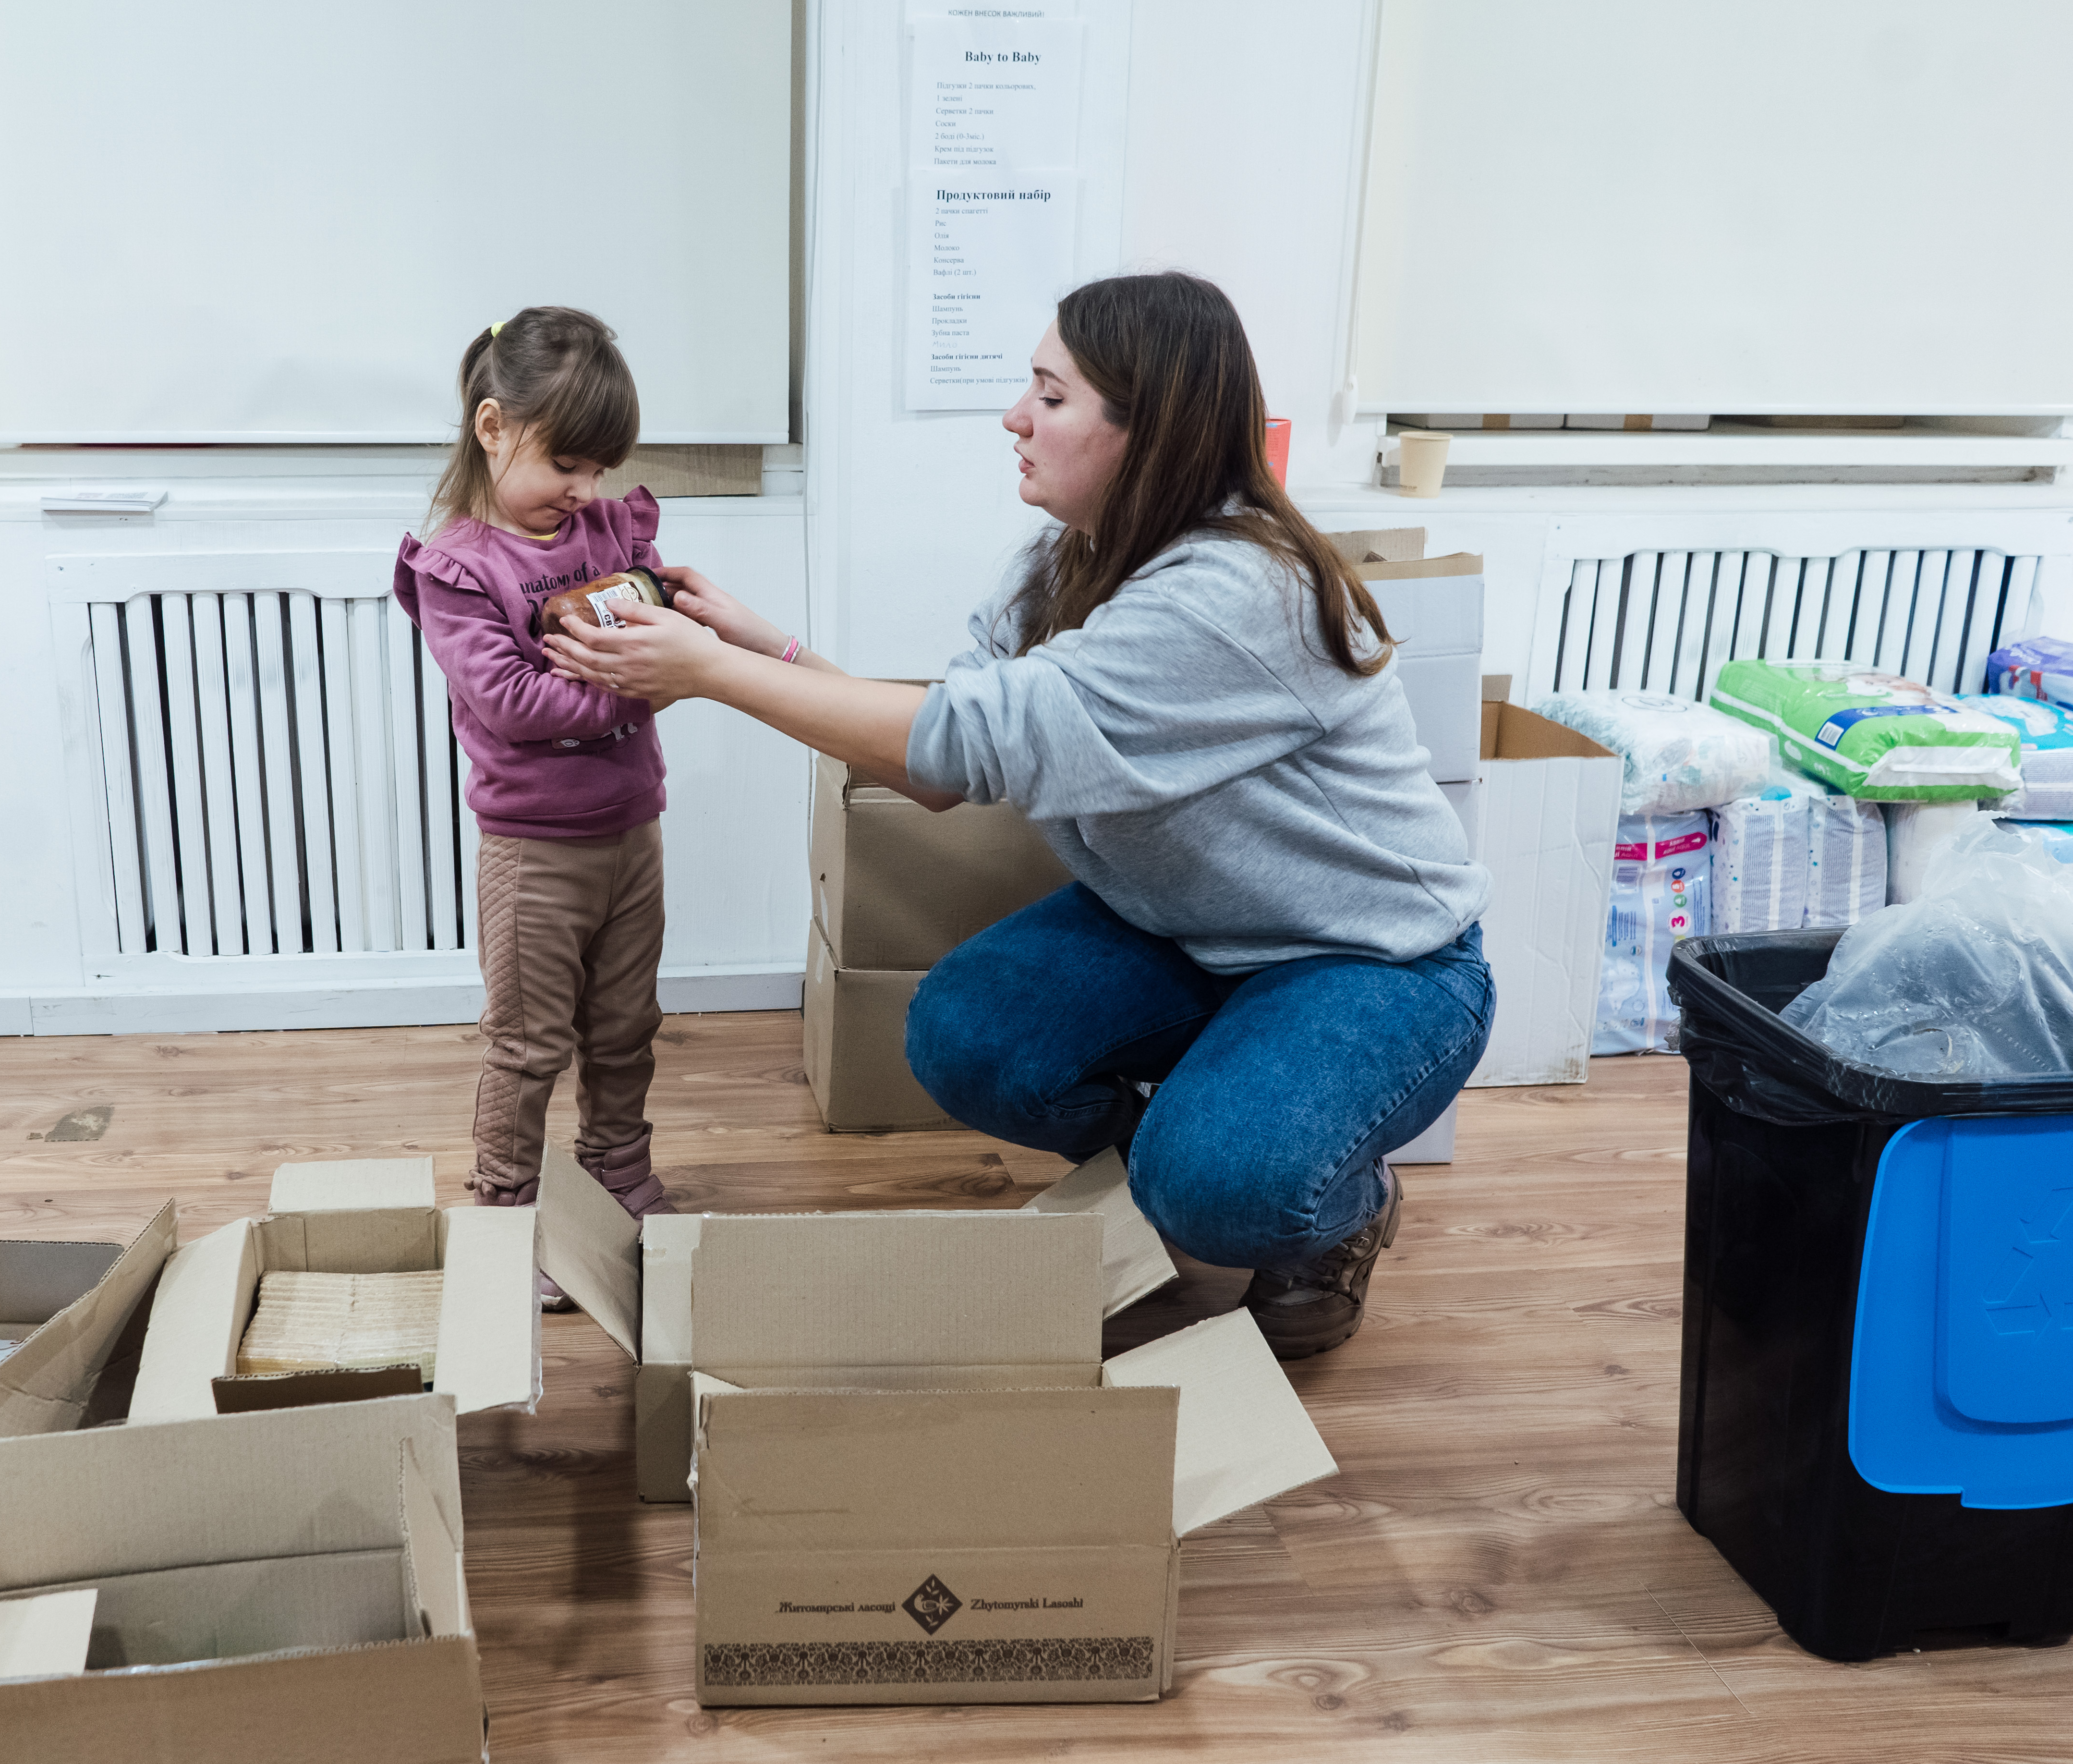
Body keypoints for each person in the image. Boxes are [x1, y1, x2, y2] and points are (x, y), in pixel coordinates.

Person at [543, 271, 1493, 1357]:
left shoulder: (1235, 594)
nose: (1013, 418)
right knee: (965, 1040)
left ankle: (1334, 1207)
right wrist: (763, 648)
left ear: (1147, 430)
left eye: (1048, 394)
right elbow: (941, 759)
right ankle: (1208, 1136)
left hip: (1370, 962)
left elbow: (965, 741)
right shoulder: (1059, 563)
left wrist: (710, 673)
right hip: (1179, 929)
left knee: (1225, 1187)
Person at [392, 307, 682, 1273]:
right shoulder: (461, 569)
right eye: (566, 464)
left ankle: (617, 1174)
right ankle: (510, 1213)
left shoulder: (607, 528)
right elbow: (515, 702)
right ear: (492, 428)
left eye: (599, 468)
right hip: (535, 855)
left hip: (631, 833)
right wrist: (633, 682)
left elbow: (655, 622)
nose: (586, 489)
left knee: (625, 1026)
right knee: (527, 1046)